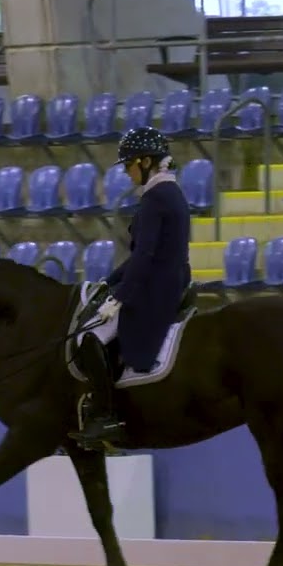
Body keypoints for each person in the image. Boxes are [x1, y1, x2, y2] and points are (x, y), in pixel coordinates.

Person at [70, 126, 193, 450]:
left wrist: (120, 297)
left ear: (146, 162)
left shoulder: (156, 198)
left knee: (90, 336)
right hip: (169, 279)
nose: (127, 173)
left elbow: (144, 255)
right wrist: (109, 282)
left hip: (155, 288)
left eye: (129, 166)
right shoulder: (171, 193)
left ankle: (108, 414)